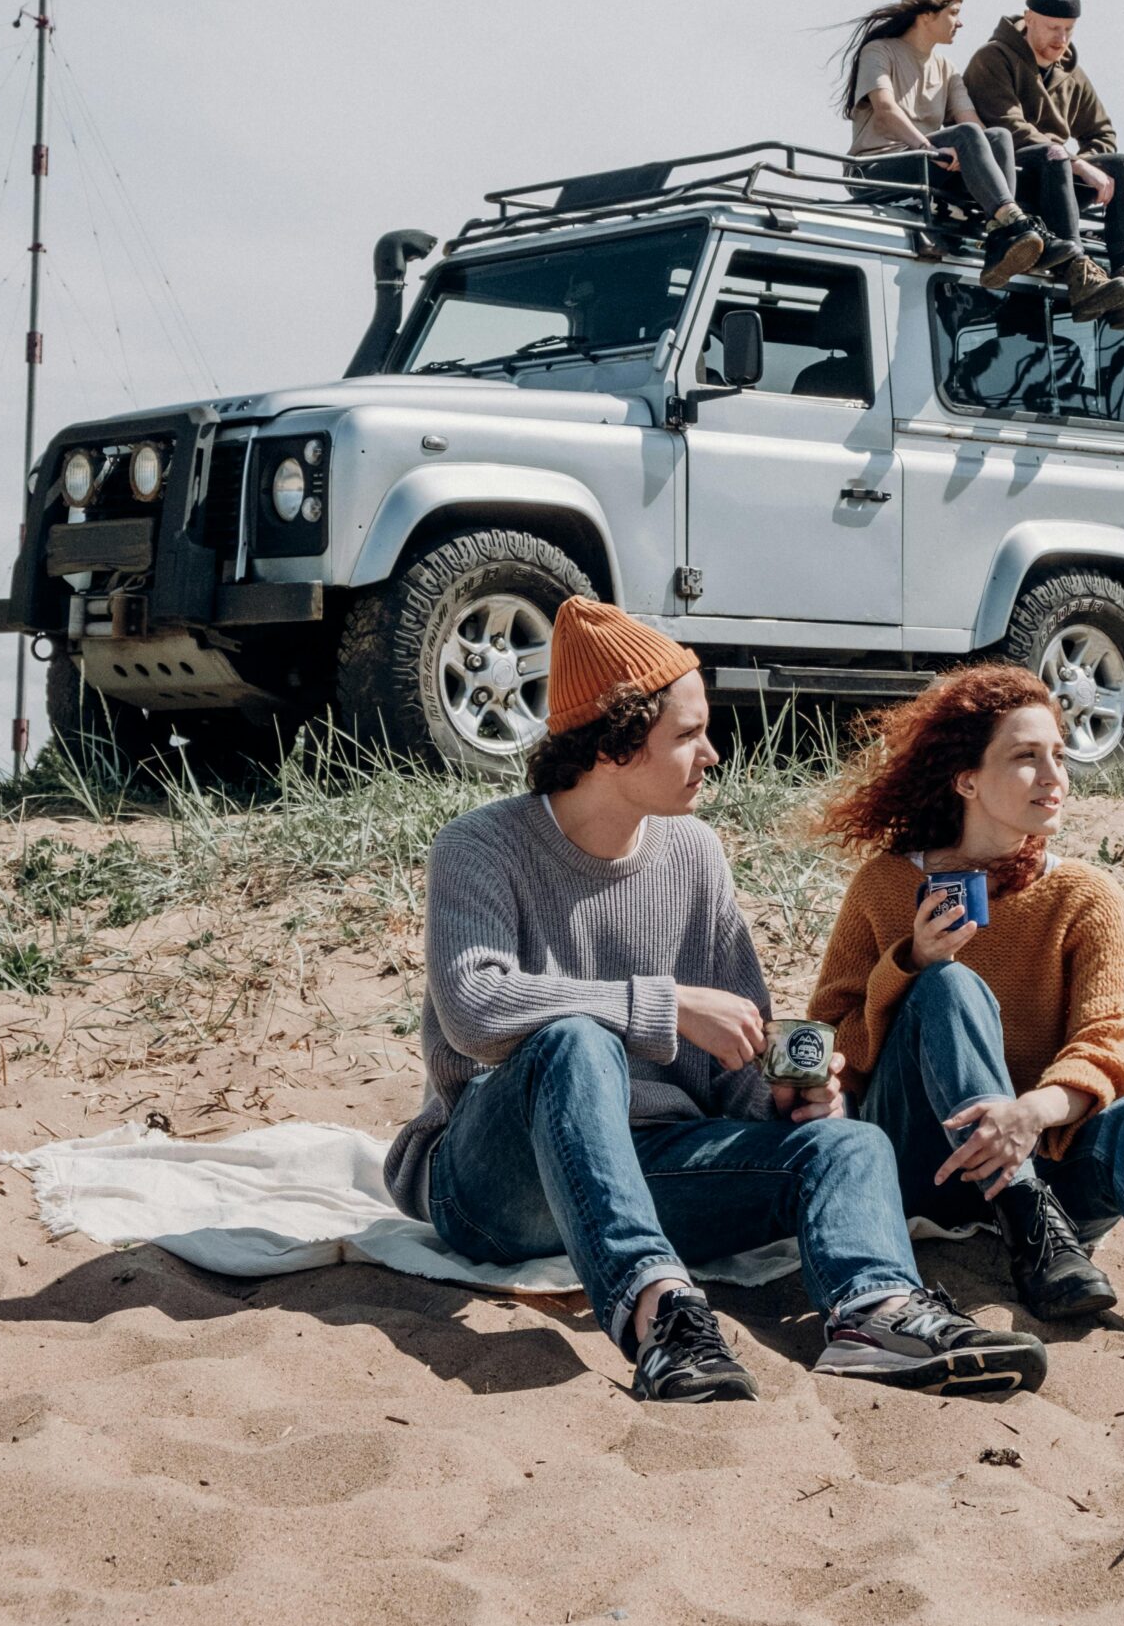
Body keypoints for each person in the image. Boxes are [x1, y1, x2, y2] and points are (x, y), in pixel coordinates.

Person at [386, 598, 1049, 1404]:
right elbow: (475, 1011)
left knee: (848, 1146)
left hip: (658, 1166)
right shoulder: (481, 846)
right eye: (687, 735)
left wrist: (790, 1092)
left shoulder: (693, 852)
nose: (713, 753)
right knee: (575, 1041)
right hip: (495, 1185)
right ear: (613, 745)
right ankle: (661, 1319)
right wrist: (662, 1007)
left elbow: (736, 1042)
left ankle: (875, 1314)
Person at [807, 665, 1124, 1351]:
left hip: (1051, 1186)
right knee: (947, 988)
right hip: (924, 1165)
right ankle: (1020, 1206)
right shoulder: (886, 886)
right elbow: (830, 1044)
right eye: (1025, 757)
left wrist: (1028, 1115)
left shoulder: (1086, 897)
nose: (1053, 775)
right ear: (966, 779)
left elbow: (1102, 1046)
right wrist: (912, 964)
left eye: (1059, 756)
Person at [961, 0, 1124, 327]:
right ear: (1029, 18)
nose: (1061, 39)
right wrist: (1078, 164)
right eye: (1052, 28)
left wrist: (1088, 165)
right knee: (1055, 155)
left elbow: (1102, 132)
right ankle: (1078, 270)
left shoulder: (1070, 71)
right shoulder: (993, 59)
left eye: (1069, 30)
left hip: (1060, 177)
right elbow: (1009, 128)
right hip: (1012, 178)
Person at [840, 0, 1062, 292]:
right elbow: (886, 110)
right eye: (954, 12)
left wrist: (964, 147)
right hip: (877, 168)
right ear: (926, 14)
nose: (960, 23)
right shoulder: (880, 51)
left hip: (927, 166)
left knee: (996, 136)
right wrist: (930, 150)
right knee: (971, 136)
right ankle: (1011, 221)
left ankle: (1001, 235)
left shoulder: (946, 67)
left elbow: (973, 125)